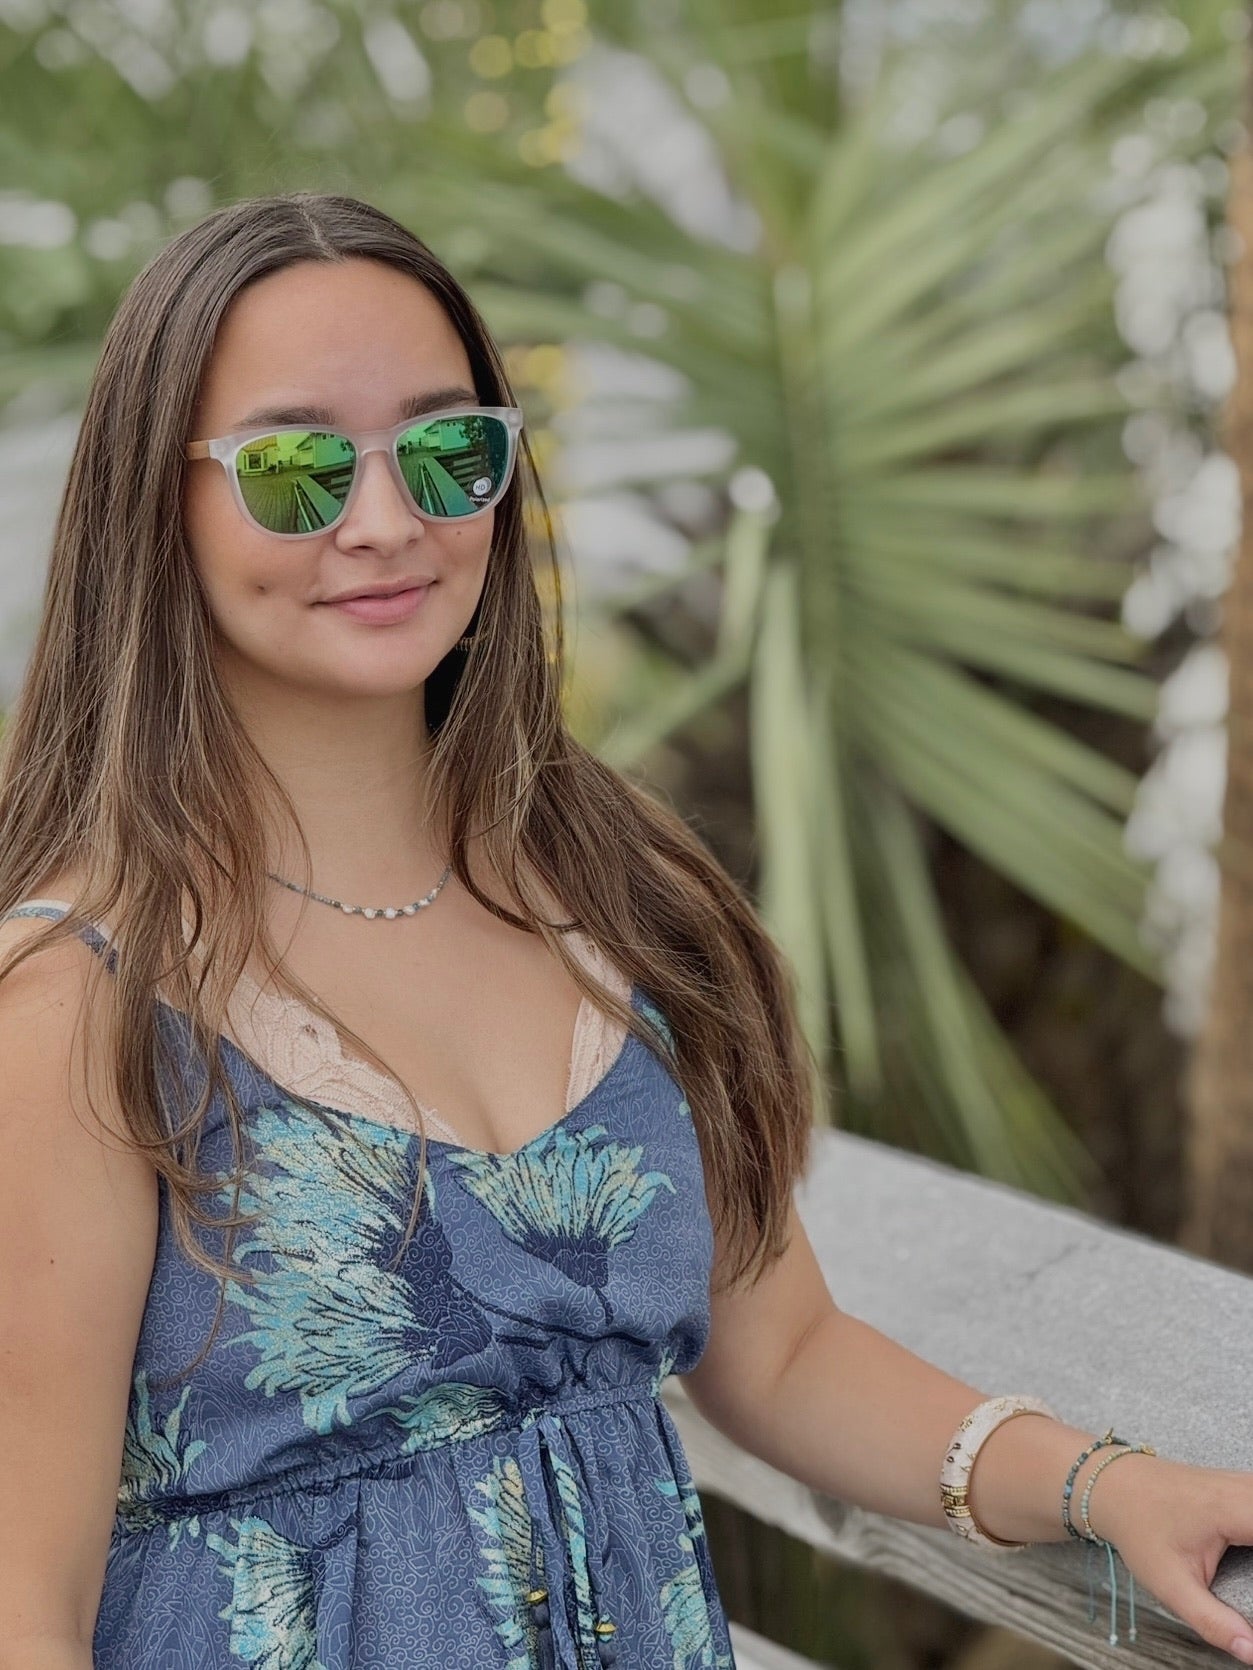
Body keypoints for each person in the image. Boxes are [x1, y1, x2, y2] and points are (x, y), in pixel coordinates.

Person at [2, 191, 1253, 1670]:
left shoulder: (612, 899)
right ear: (160, 498)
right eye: (296, 468)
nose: (389, 520)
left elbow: (779, 1350)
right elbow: (25, 1582)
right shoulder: (87, 997)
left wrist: (1108, 1485)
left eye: (449, 449)